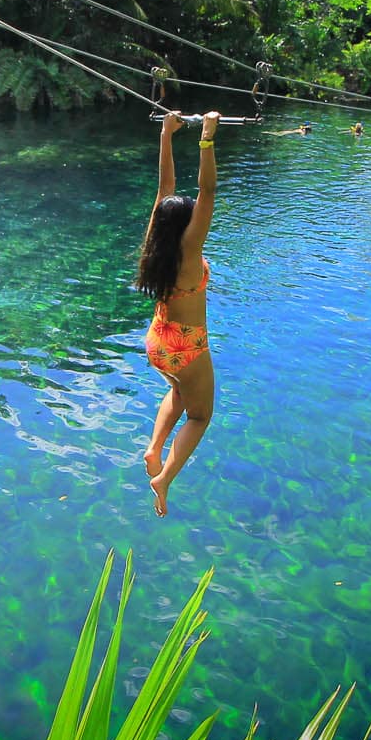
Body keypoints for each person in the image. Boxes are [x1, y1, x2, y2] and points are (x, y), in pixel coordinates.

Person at [139, 110, 219, 517]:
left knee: (178, 389)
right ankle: (164, 477)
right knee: (201, 415)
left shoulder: (158, 239)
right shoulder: (189, 252)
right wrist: (206, 138)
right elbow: (207, 192)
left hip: (158, 339)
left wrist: (166, 133)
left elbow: (165, 186)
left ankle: (154, 448)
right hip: (187, 344)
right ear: (186, 224)